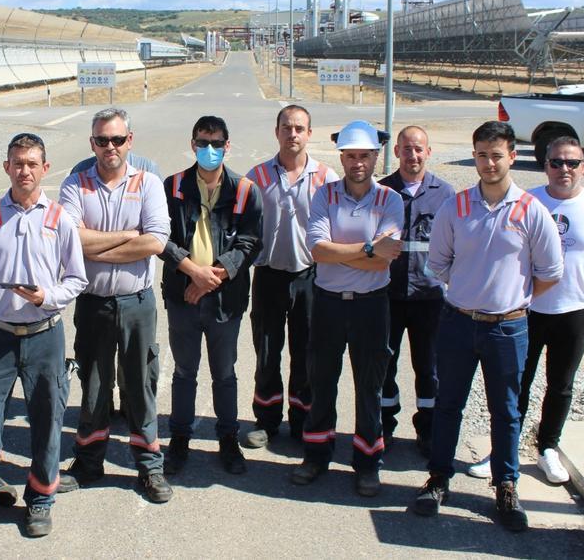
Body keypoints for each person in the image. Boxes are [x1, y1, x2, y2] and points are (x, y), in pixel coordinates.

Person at [413, 121, 563, 533]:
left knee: (507, 411)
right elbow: (438, 264)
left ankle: (506, 484)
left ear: (512, 157)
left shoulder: (532, 211)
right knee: (448, 404)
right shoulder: (456, 207)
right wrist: (472, 289)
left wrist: (512, 296)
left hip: (508, 328)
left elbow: (549, 272)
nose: (488, 163)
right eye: (481, 155)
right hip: (458, 322)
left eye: (497, 155)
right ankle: (438, 478)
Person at [0, 133, 87, 545]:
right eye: (17, 163)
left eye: (32, 163)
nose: (24, 170)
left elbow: (77, 278)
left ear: (45, 168)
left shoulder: (59, 218)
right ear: (6, 167)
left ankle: (40, 501)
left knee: (47, 420)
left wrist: (49, 297)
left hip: (46, 335)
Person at [468, 136, 584, 484]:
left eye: (573, 163)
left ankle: (547, 446)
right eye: (556, 162)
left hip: (575, 310)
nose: (564, 169)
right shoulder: (529, 200)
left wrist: (582, 285)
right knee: (516, 382)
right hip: (527, 310)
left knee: (561, 384)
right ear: (545, 165)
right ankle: (503, 449)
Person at [58, 108, 173, 503]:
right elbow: (71, 241)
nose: (110, 147)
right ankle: (89, 462)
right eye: (102, 140)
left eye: (117, 140)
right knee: (93, 387)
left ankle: (149, 467)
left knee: (140, 385)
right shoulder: (76, 184)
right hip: (93, 304)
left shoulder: (149, 183)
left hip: (137, 302)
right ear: (92, 143)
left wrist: (97, 245)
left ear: (130, 140)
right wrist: (127, 237)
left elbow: (156, 242)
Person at [289, 120, 404, 497]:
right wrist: (369, 249)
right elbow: (318, 251)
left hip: (371, 306)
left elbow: (385, 261)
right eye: (351, 155)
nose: (358, 163)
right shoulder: (325, 195)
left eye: (365, 156)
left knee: (369, 385)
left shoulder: (390, 199)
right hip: (328, 304)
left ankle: (367, 463)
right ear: (343, 157)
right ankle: (316, 455)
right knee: (321, 380)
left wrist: (347, 255)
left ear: (376, 157)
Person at [159, 115, 262, 476]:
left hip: (224, 300)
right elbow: (161, 238)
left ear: (227, 146)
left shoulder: (245, 190)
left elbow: (250, 243)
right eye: (203, 143)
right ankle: (179, 440)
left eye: (217, 144)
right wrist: (192, 272)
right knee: (185, 372)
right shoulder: (172, 187)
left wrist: (209, 278)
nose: (210, 150)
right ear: (193, 145)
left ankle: (228, 440)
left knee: (225, 374)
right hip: (182, 298)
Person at [243, 104, 339, 449]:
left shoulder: (326, 178)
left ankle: (302, 419)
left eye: (299, 128)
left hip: (310, 276)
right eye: (287, 127)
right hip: (269, 276)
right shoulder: (257, 176)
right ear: (277, 132)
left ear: (309, 134)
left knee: (307, 352)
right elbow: (244, 228)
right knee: (267, 351)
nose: (293, 134)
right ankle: (266, 420)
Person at [376, 126, 454, 455]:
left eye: (419, 149)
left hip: (429, 297)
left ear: (429, 152)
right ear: (396, 152)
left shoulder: (445, 193)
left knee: (430, 367)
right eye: (407, 149)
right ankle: (384, 425)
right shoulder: (382, 191)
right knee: (384, 365)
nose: (413, 156)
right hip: (388, 295)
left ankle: (428, 429)